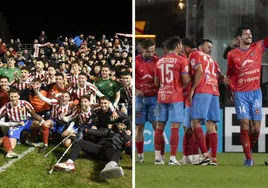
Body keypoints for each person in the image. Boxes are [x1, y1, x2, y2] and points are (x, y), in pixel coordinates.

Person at [53, 96, 131, 180]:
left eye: (122, 125)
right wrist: (86, 130)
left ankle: (110, 167)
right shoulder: (109, 130)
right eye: (119, 124)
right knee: (78, 141)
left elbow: (129, 150)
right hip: (99, 149)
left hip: (111, 153)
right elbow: (100, 132)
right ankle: (69, 163)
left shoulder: (125, 135)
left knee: (116, 152)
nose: (120, 126)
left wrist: (127, 134)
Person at [227, 26, 268, 166]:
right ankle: (249, 158)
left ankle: (248, 151)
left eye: (250, 33)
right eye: (246, 34)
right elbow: (230, 74)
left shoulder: (258, 47)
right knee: (245, 124)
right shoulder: (232, 54)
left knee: (256, 129)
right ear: (239, 38)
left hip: (256, 93)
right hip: (241, 93)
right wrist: (229, 89)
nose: (249, 35)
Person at [154, 36, 190, 165]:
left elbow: (156, 83)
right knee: (174, 127)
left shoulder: (159, 61)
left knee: (159, 127)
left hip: (162, 96)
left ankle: (158, 158)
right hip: (176, 97)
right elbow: (185, 81)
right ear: (178, 46)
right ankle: (172, 158)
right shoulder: (181, 60)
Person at [190, 39, 226, 165]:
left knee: (195, 122)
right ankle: (213, 158)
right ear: (200, 46)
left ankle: (205, 155)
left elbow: (198, 70)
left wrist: (192, 89)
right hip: (215, 92)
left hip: (203, 90)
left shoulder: (195, 54)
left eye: (211, 47)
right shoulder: (213, 61)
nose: (210, 48)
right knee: (211, 125)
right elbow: (222, 77)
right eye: (208, 46)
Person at [135, 38, 163, 163]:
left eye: (152, 51)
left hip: (154, 99)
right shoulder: (135, 61)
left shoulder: (158, 61)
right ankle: (140, 156)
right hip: (140, 100)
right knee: (139, 127)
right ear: (142, 49)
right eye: (148, 52)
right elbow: (129, 79)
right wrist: (135, 89)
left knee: (156, 127)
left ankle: (160, 156)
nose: (151, 54)